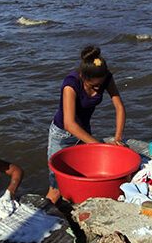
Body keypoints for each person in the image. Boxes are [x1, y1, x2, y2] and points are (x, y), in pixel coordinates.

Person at [46, 45, 126, 204]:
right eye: (92, 86)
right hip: (62, 135)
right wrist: (99, 146)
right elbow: (69, 124)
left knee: (84, 176)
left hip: (84, 132)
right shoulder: (71, 84)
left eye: (100, 86)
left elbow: (119, 107)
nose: (97, 91)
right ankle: (45, 220)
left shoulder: (106, 78)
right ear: (82, 76)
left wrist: (118, 137)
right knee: (56, 188)